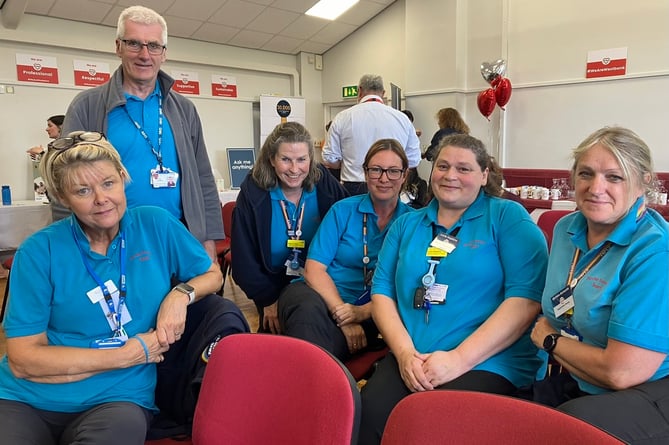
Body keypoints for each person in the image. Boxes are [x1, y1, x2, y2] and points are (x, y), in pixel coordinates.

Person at [0, 131, 225, 444]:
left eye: (108, 183)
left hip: (117, 399)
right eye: (82, 190)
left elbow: (213, 275)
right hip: (25, 399)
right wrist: (128, 355)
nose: (101, 199)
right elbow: (24, 361)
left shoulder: (155, 224)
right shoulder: (39, 251)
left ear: (123, 177)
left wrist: (180, 294)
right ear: (63, 198)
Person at [359, 133, 549, 443]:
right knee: (368, 419)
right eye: (443, 166)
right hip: (414, 356)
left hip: (489, 361)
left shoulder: (507, 218)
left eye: (464, 168)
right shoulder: (407, 224)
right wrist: (405, 354)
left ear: (484, 174)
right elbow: (382, 292)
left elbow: (526, 300)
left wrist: (458, 360)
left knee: (431, 428)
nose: (450, 176)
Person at [530, 126, 669, 444]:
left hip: (647, 390)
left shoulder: (655, 250)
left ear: (643, 183)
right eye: (586, 173)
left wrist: (549, 340)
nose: (596, 188)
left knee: (562, 430)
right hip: (575, 374)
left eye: (614, 177)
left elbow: (623, 373)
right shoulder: (567, 228)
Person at [63, 5, 222, 260]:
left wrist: (208, 239)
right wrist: (71, 245)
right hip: (111, 242)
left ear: (164, 53)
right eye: (134, 44)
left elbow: (203, 179)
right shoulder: (87, 107)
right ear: (118, 47)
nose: (145, 55)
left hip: (178, 238)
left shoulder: (184, 110)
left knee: (190, 300)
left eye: (154, 46)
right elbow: (65, 181)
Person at [278, 139, 413, 361]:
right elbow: (313, 270)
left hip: (372, 309)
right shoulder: (342, 210)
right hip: (318, 296)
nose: (383, 178)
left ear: (405, 175)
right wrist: (344, 315)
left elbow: (409, 287)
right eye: (376, 170)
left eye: (393, 171)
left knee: (320, 344)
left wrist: (361, 314)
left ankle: (304, 383)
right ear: (365, 172)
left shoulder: (413, 222)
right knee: (306, 315)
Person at [231, 122, 348, 333]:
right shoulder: (253, 193)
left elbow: (348, 229)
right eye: (286, 159)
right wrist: (267, 299)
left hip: (321, 283)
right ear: (272, 160)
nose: (295, 169)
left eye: (302, 159)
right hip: (271, 287)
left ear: (311, 160)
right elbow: (243, 259)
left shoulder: (324, 184)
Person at [322, 74, 421, 196]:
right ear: (383, 93)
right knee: (390, 215)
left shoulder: (343, 118)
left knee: (353, 215)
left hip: (354, 186)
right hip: (391, 183)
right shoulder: (402, 119)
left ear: (359, 91)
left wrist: (347, 163)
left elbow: (329, 158)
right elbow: (413, 160)